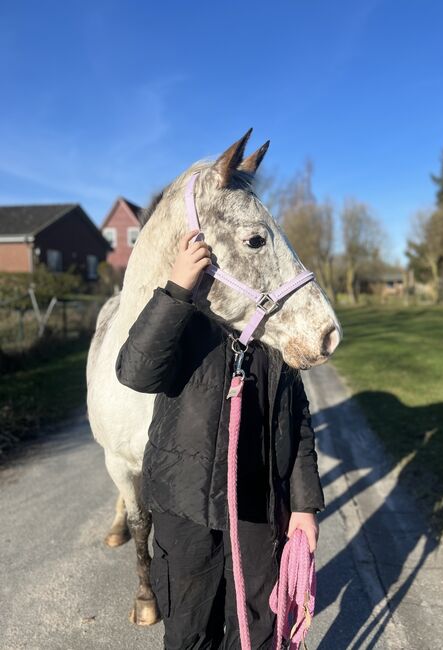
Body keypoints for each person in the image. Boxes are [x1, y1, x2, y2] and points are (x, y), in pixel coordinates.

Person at [115, 229, 325, 649]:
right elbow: (136, 372)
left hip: (258, 503)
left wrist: (304, 505)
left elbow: (297, 421)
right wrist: (176, 290)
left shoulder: (275, 332)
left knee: (259, 623)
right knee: (190, 625)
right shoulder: (186, 315)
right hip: (185, 504)